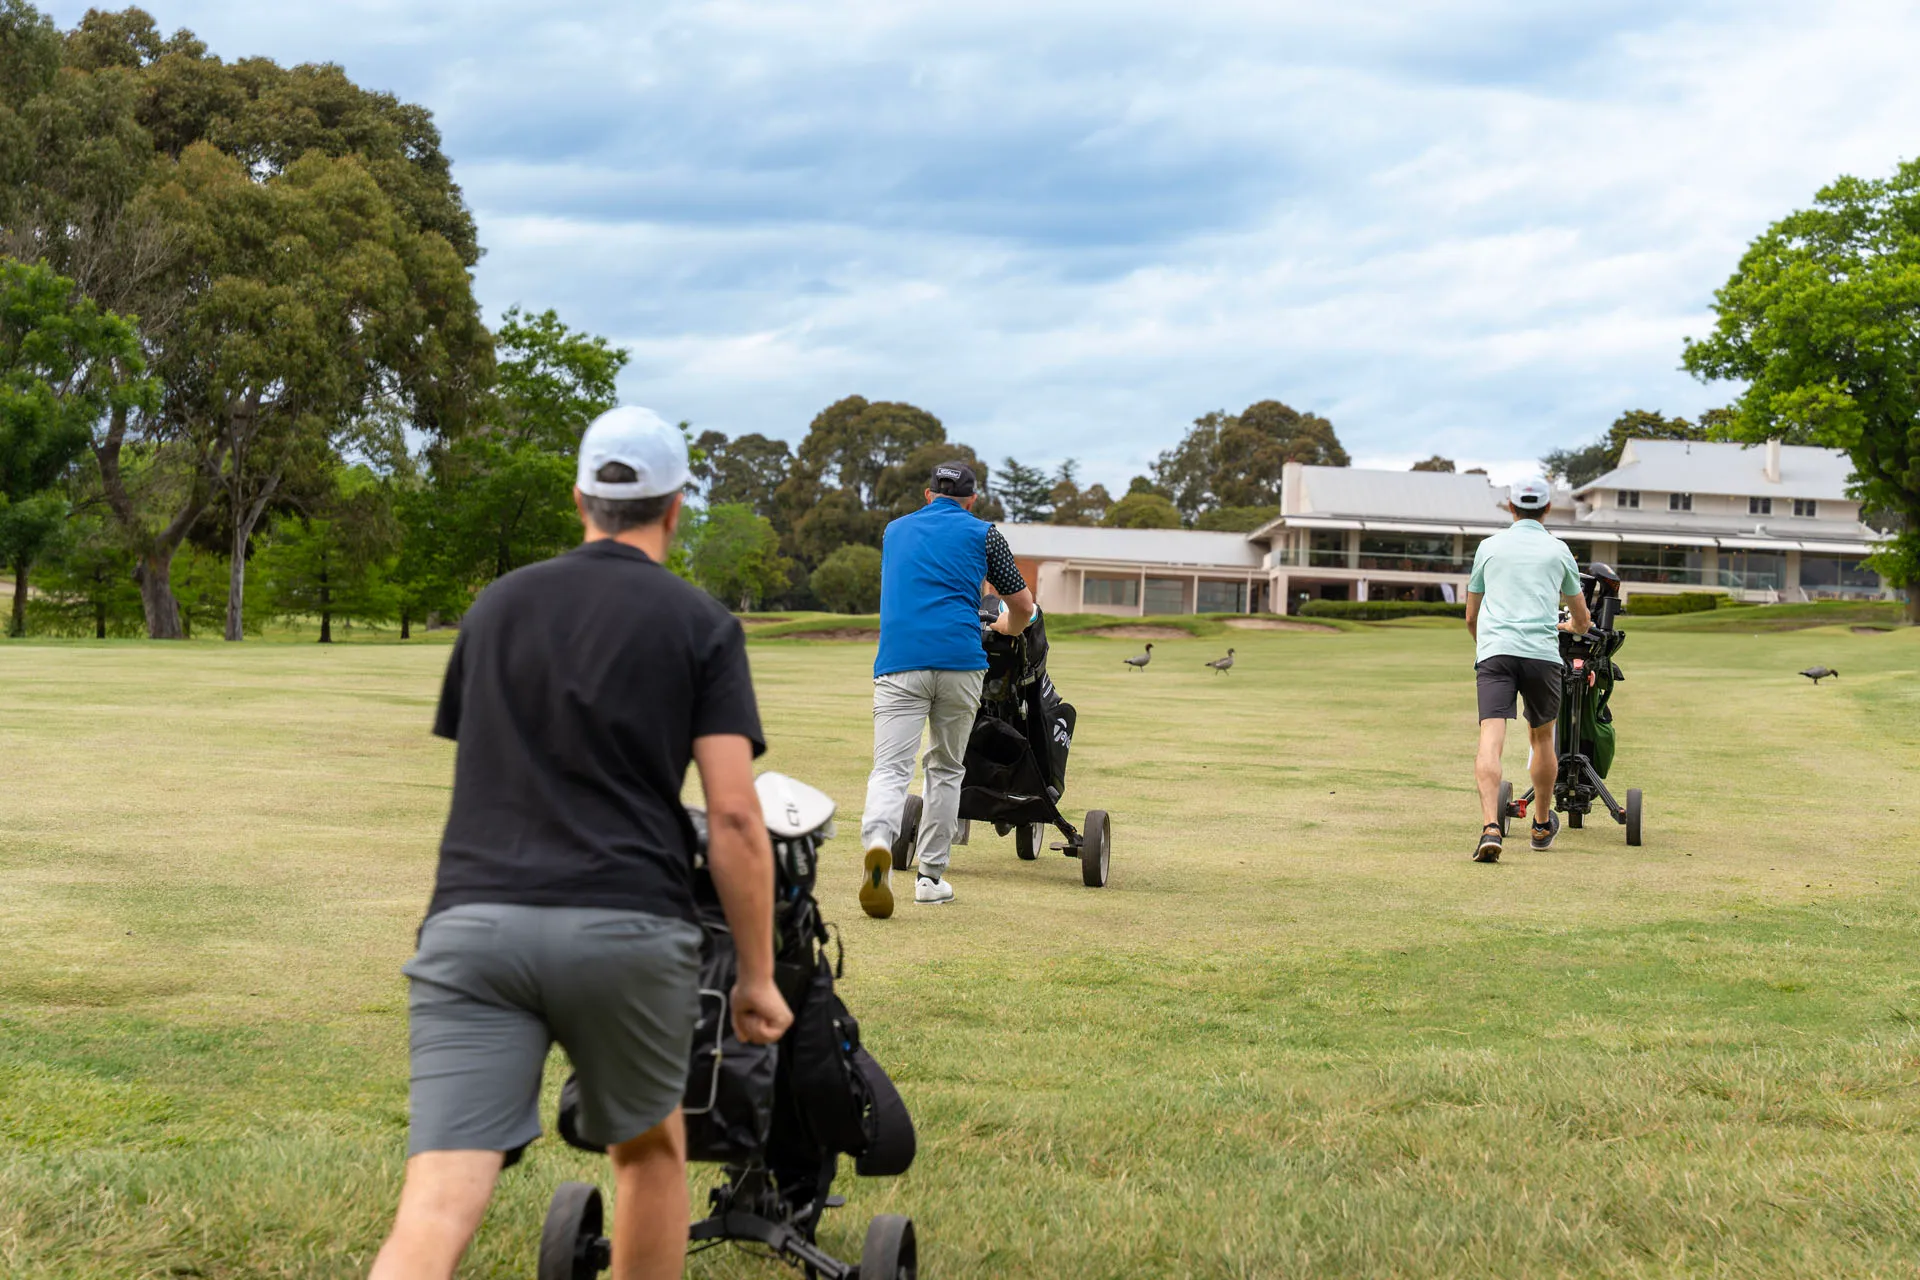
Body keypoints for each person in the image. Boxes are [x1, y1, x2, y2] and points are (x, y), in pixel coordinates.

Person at [370, 407, 793, 1280]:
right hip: (625, 928)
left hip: (472, 927)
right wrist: (755, 977)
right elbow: (736, 819)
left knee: (440, 1198)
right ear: (675, 507)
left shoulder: (496, 608)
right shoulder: (701, 623)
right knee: (647, 1154)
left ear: (580, 499)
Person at [859, 461, 1036, 915]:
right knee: (944, 767)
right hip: (960, 662)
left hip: (899, 662)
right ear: (972, 500)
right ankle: (930, 877)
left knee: (890, 769)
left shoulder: (894, 531)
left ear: (927, 495)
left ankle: (880, 841)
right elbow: (1022, 605)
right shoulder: (985, 534)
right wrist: (1009, 628)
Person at [1464, 477, 1591, 863]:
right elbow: (1582, 619)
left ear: (1510, 506)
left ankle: (1490, 827)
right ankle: (1539, 825)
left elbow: (1471, 615)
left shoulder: (1489, 547)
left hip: (1496, 653)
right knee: (1542, 739)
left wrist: (1486, 643)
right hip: (1541, 654)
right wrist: (1571, 627)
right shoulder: (1559, 550)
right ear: (1548, 508)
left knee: (1491, 737)